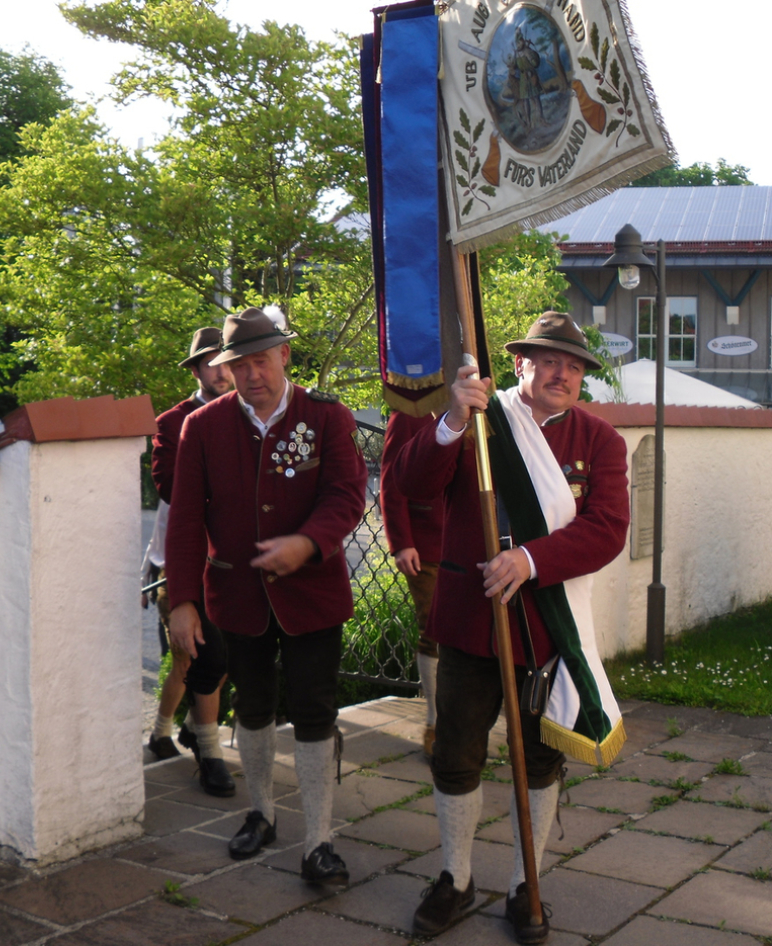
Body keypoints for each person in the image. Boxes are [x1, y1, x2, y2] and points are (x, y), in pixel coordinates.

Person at [396, 312, 629, 943]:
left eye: (574, 366)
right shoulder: (478, 419)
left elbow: (608, 529)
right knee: (456, 754)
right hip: (471, 623)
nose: (562, 374)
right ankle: (456, 877)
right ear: (521, 363)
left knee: (541, 759)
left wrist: (530, 559)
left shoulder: (600, 441)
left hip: (547, 630)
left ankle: (528, 882)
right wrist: (451, 420)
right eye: (549, 361)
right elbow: (412, 483)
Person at [165, 307, 368, 886]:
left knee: (315, 711)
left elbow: (347, 495)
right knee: (252, 708)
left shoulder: (326, 416)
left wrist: (308, 542)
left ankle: (319, 841)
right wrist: (182, 600)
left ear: (284, 356)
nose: (252, 374)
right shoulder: (202, 427)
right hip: (236, 594)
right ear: (226, 369)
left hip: (313, 594)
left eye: (261, 361)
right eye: (239, 365)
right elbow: (185, 520)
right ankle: (261, 813)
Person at [146, 326, 238, 799]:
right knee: (199, 655)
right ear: (196, 371)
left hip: (240, 560)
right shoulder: (172, 422)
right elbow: (169, 487)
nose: (221, 372)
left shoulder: (250, 412)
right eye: (211, 364)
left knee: (227, 658)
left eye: (227, 363)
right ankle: (206, 751)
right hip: (189, 561)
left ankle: (184, 730)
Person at [379, 410, 444, 757]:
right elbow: (391, 480)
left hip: (473, 542)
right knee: (433, 629)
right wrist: (402, 542)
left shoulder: (484, 408)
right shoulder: (409, 413)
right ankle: (435, 724)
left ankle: (465, 720)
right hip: (425, 544)